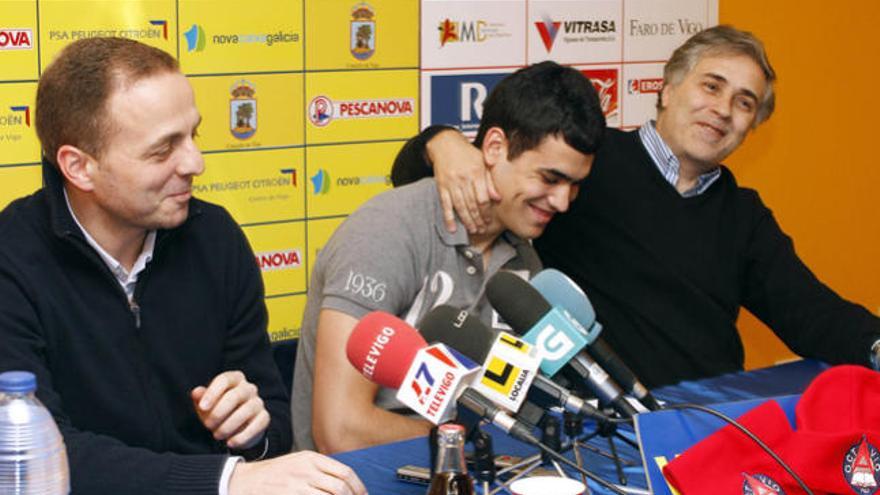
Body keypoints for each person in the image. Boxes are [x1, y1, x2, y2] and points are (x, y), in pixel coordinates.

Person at [392, 25, 880, 387]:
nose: (724, 109)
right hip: (597, 423)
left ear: (751, 126)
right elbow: (422, 178)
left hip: (709, 417)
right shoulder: (585, 163)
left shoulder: (744, 217)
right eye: (711, 86)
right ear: (666, 89)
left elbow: (815, 314)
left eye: (745, 102)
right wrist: (441, 142)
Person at [0, 38, 365, 495]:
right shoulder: (11, 259)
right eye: (162, 150)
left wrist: (253, 434)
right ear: (79, 167)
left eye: (194, 134)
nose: (196, 162)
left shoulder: (215, 237)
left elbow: (272, 426)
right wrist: (225, 480)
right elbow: (37, 456)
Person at [291, 61, 606, 453]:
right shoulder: (387, 232)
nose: (562, 202)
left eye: (574, 185)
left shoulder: (524, 257)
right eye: (550, 179)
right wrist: (470, 439)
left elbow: (514, 405)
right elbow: (340, 432)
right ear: (494, 148)